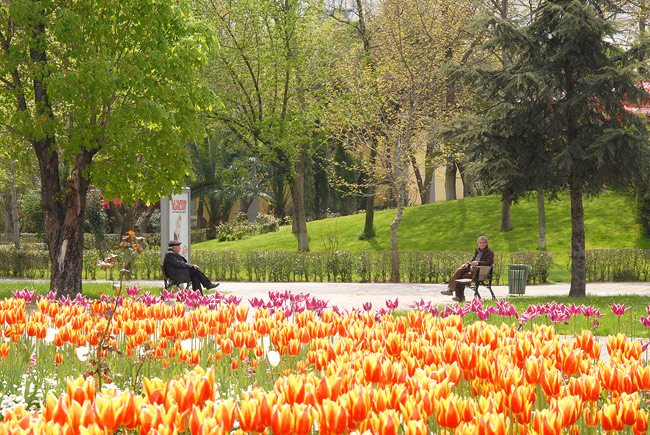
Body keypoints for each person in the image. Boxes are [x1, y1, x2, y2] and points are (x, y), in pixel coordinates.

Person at [441, 236, 494, 302]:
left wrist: (478, 263)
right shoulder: (478, 250)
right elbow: (473, 260)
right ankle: (450, 290)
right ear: (478, 243)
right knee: (459, 270)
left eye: (483, 243)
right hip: (473, 269)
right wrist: (467, 264)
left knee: (461, 277)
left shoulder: (489, 252)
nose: (481, 244)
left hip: (479, 272)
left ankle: (460, 297)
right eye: (480, 243)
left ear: (486, 243)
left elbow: (489, 262)